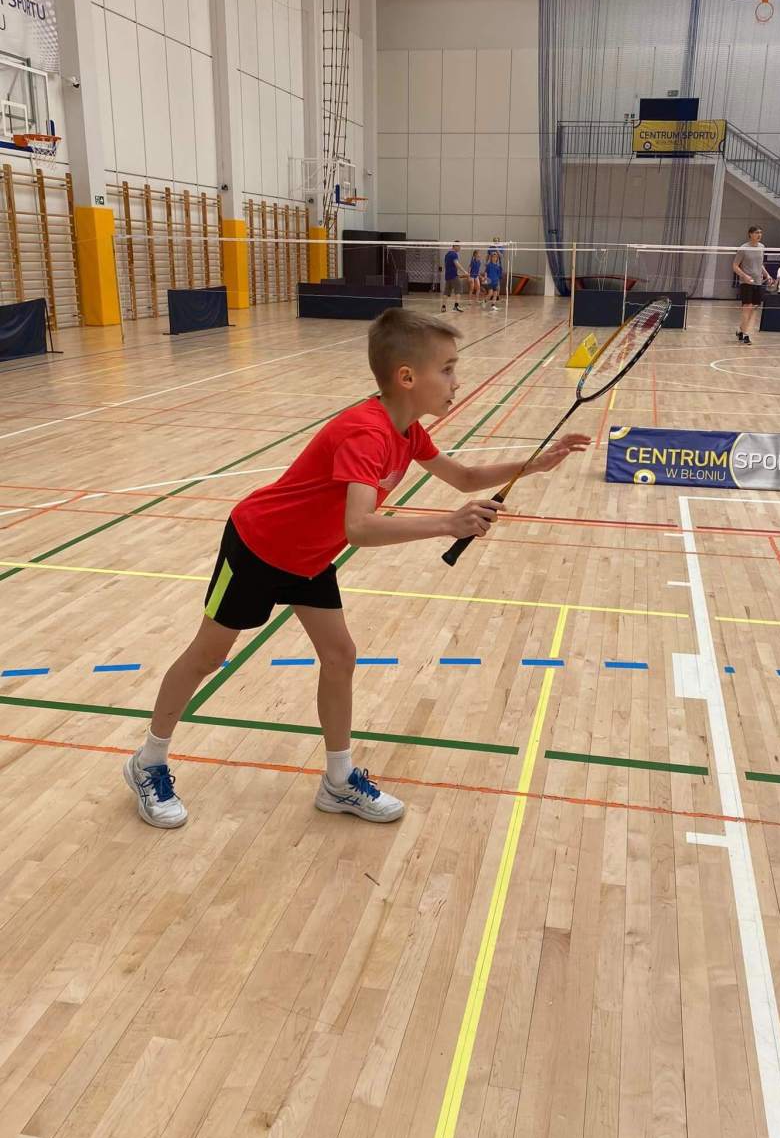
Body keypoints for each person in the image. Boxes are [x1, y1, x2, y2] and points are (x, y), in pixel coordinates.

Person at [122, 309, 590, 829]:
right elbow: (361, 528)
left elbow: (463, 476)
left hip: (308, 557)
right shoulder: (366, 433)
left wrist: (535, 463)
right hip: (258, 546)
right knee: (207, 657)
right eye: (448, 369)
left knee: (340, 656)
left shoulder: (407, 431)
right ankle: (148, 762)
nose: (457, 381)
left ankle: (338, 781)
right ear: (407, 377)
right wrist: (447, 524)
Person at [732, 225, 773, 344]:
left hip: (758, 282)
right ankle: (745, 334)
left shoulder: (762, 247)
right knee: (747, 307)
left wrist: (767, 275)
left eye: (760, 232)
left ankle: (741, 330)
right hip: (746, 283)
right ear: (750, 234)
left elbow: (760, 264)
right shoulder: (743, 248)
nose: (759, 235)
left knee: (753, 309)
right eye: (756, 233)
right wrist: (744, 276)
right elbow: (735, 266)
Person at [442, 242, 464, 313]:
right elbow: (456, 263)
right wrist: (464, 271)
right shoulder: (454, 254)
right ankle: (456, 306)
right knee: (458, 289)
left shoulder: (447, 254)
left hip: (447, 276)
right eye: (459, 246)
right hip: (453, 275)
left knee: (446, 292)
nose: (460, 248)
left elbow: (446, 265)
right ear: (455, 246)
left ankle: (443, 307)